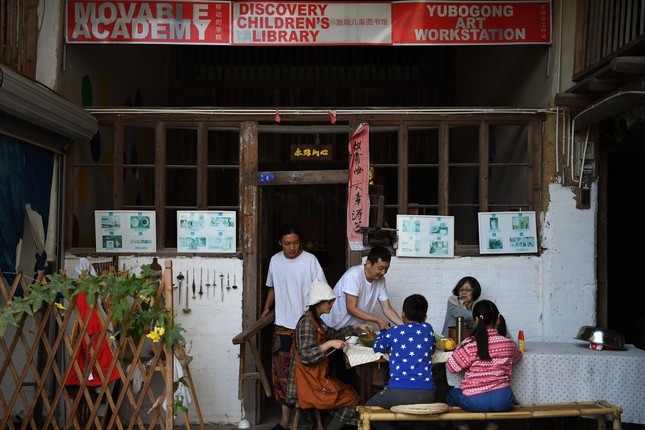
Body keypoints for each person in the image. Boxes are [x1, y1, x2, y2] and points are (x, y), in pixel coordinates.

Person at [261, 224, 327, 430]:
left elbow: (321, 290)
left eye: (296, 243)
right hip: (282, 325)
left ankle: (306, 415)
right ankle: (285, 421)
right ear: (280, 243)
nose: (292, 247)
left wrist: (319, 317)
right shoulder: (275, 260)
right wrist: (266, 308)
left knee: (306, 371)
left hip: (306, 325)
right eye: (287, 244)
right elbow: (272, 287)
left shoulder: (310, 261)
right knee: (281, 373)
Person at [286, 279, 372, 430]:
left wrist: (356, 326)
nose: (331, 305)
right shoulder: (307, 323)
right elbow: (306, 356)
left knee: (353, 395)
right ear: (318, 303)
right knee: (352, 399)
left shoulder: (317, 322)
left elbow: (335, 334)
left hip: (316, 379)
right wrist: (329, 344)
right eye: (329, 302)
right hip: (307, 383)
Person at [445, 300, 523, 430]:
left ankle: (464, 429)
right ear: (498, 319)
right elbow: (518, 357)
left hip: (474, 401)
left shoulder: (470, 344)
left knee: (450, 396)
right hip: (504, 399)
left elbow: (451, 367)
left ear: (475, 320)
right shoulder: (509, 343)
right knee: (501, 406)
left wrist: (459, 348)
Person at [365, 294, 437, 430]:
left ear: (402, 313)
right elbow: (432, 349)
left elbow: (378, 347)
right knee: (422, 417)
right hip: (427, 393)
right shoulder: (428, 329)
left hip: (398, 392)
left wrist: (383, 332)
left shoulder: (394, 331)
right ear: (425, 316)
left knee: (369, 408)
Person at [321, 245, 403, 331]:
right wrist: (378, 320)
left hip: (352, 330)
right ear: (368, 264)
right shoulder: (354, 275)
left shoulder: (381, 281)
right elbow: (351, 309)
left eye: (386, 268)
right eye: (380, 268)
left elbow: (387, 309)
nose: (383, 272)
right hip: (333, 327)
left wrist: (405, 327)